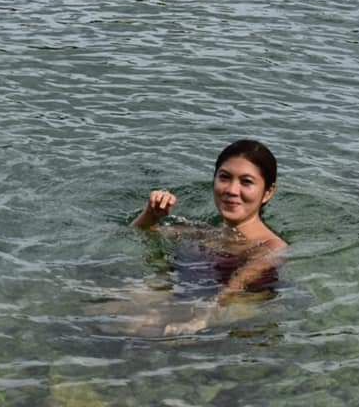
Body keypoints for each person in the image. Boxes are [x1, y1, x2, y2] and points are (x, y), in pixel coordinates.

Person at [115, 139, 288, 335]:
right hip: (189, 301)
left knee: (139, 325)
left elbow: (234, 288)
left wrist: (198, 322)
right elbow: (137, 234)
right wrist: (151, 214)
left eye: (246, 182)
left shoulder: (272, 246)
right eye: (224, 177)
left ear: (268, 192)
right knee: (111, 304)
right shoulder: (203, 233)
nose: (231, 190)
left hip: (231, 319)